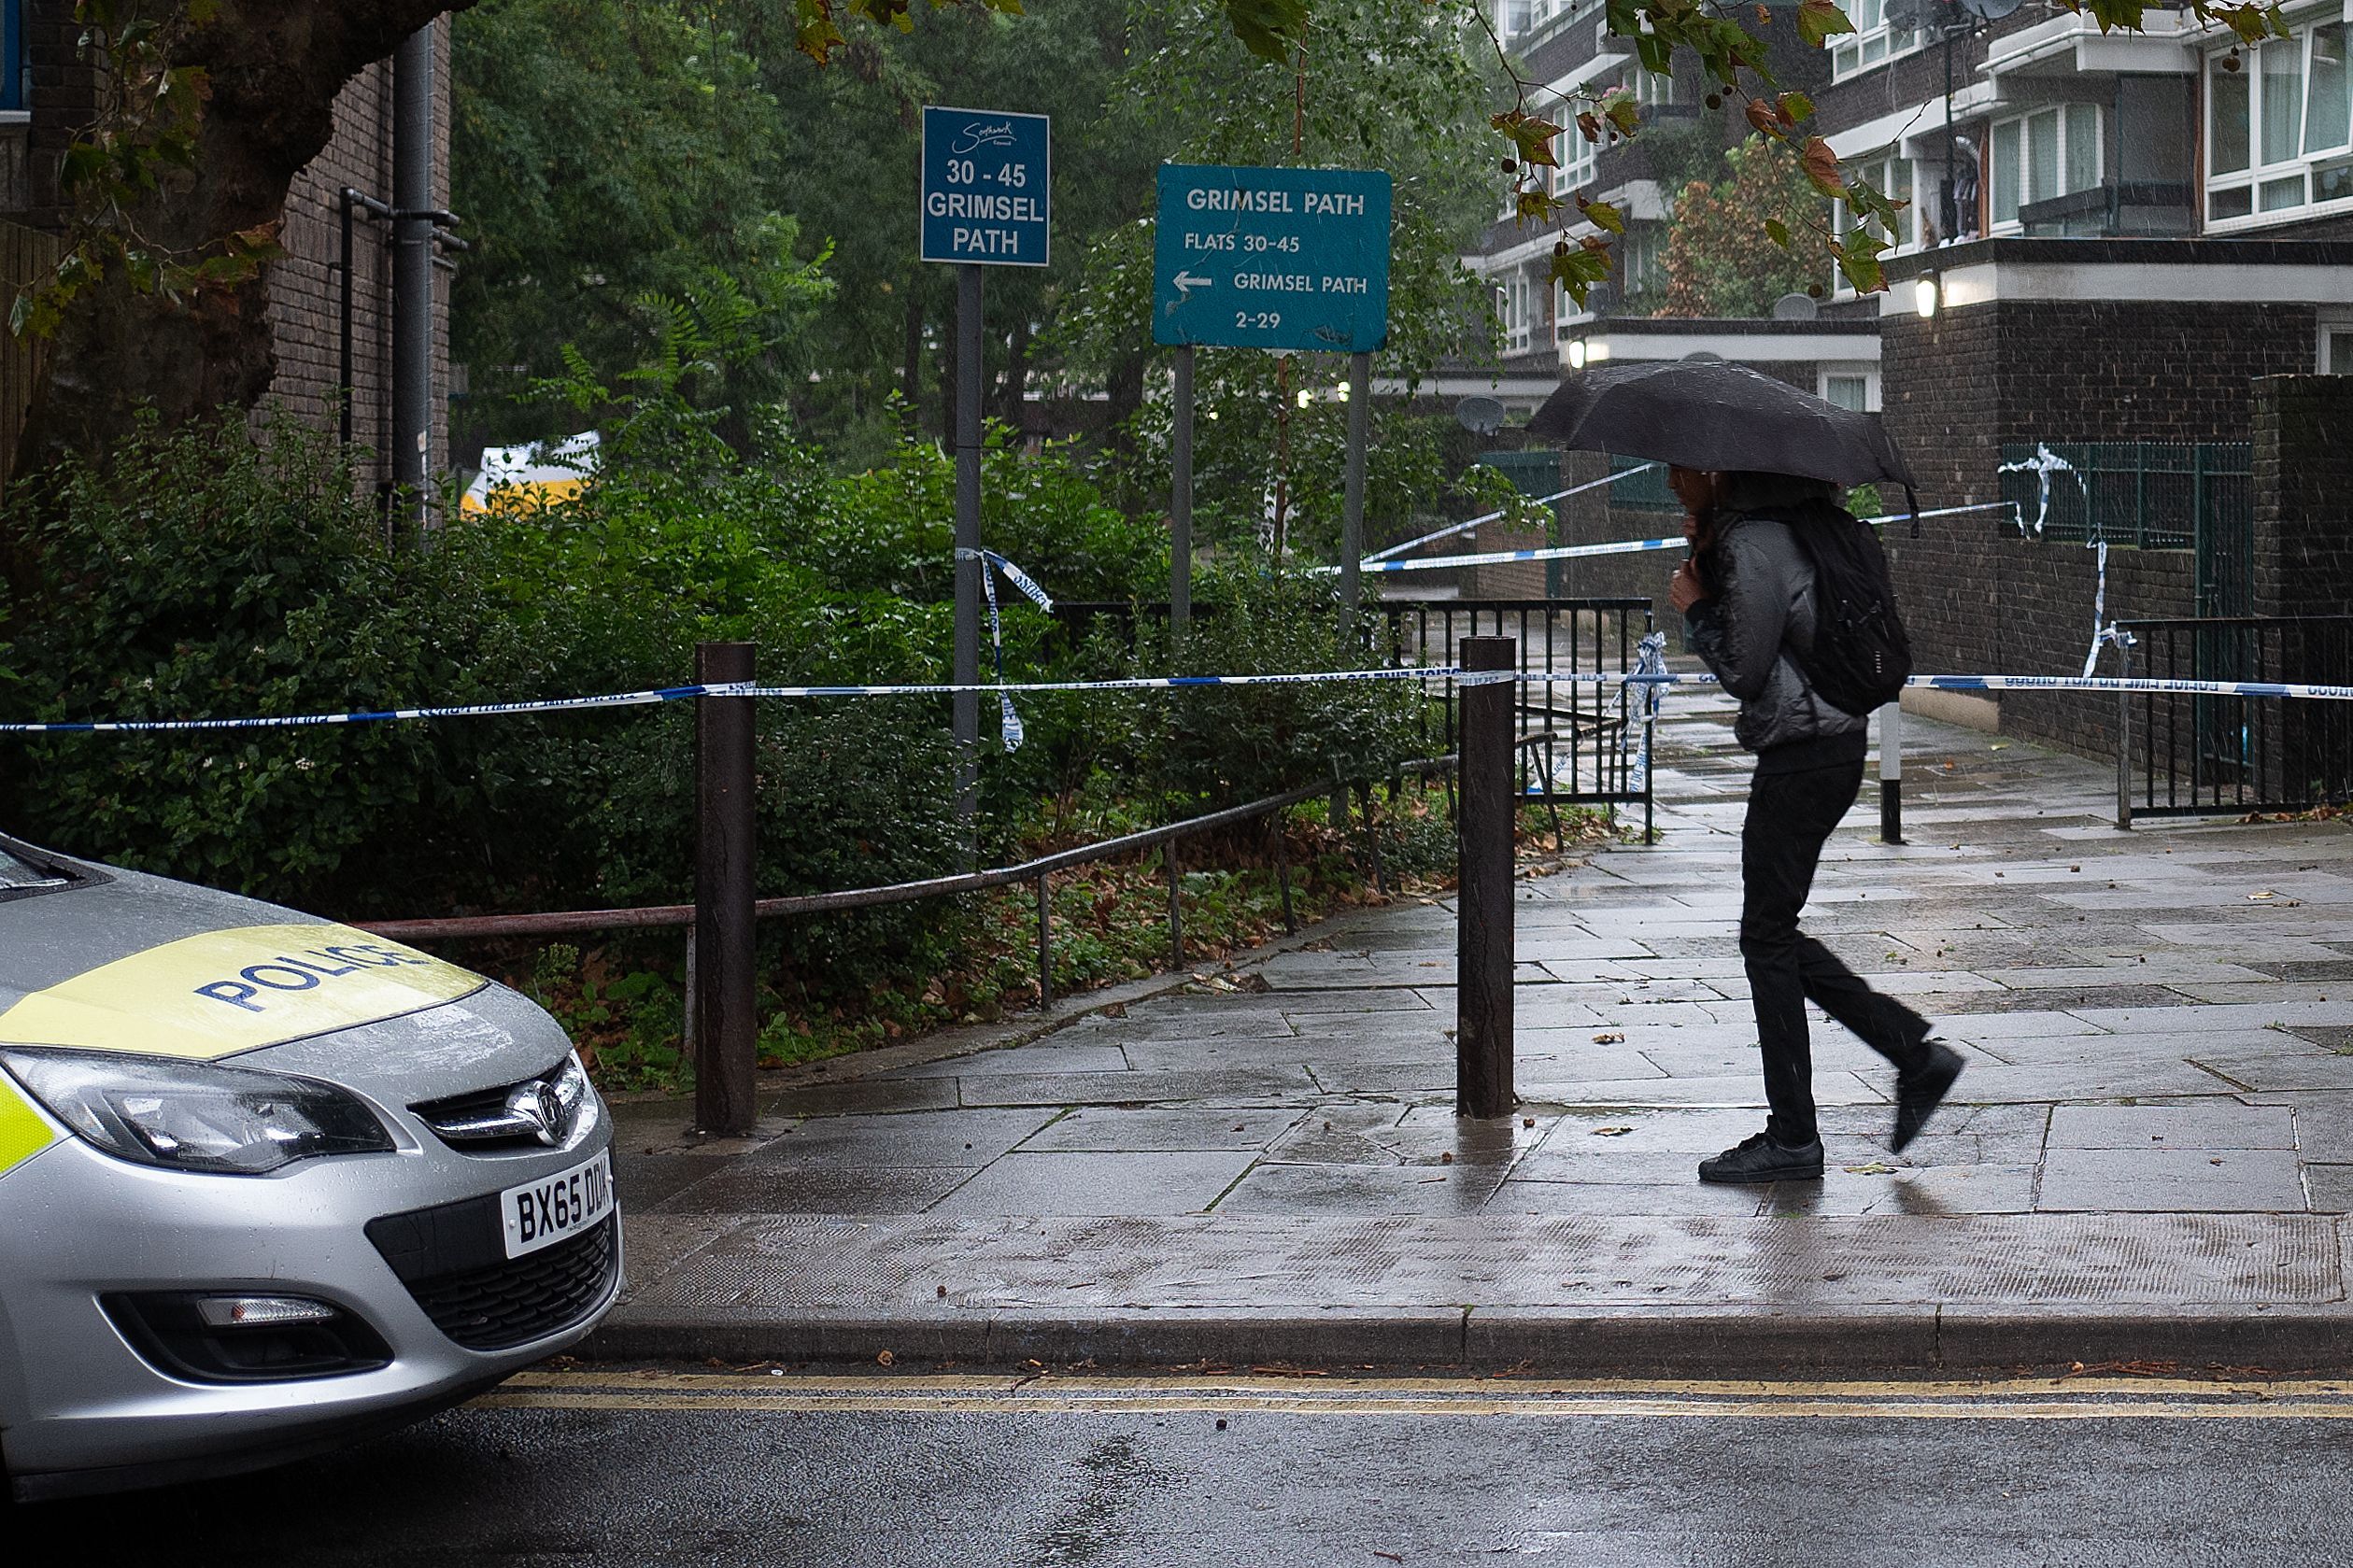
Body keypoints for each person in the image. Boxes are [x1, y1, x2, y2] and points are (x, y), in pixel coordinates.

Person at [1664, 467, 1963, 1184]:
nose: (1671, 481)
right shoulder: (1803, 523)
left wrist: (1698, 605)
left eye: (1681, 471)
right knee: (1772, 934)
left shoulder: (1756, 541)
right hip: (1831, 743)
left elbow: (1744, 665)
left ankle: (1798, 1134)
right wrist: (1708, 549)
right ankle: (1909, 1055)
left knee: (1765, 938)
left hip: (1800, 753)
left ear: (1716, 472)